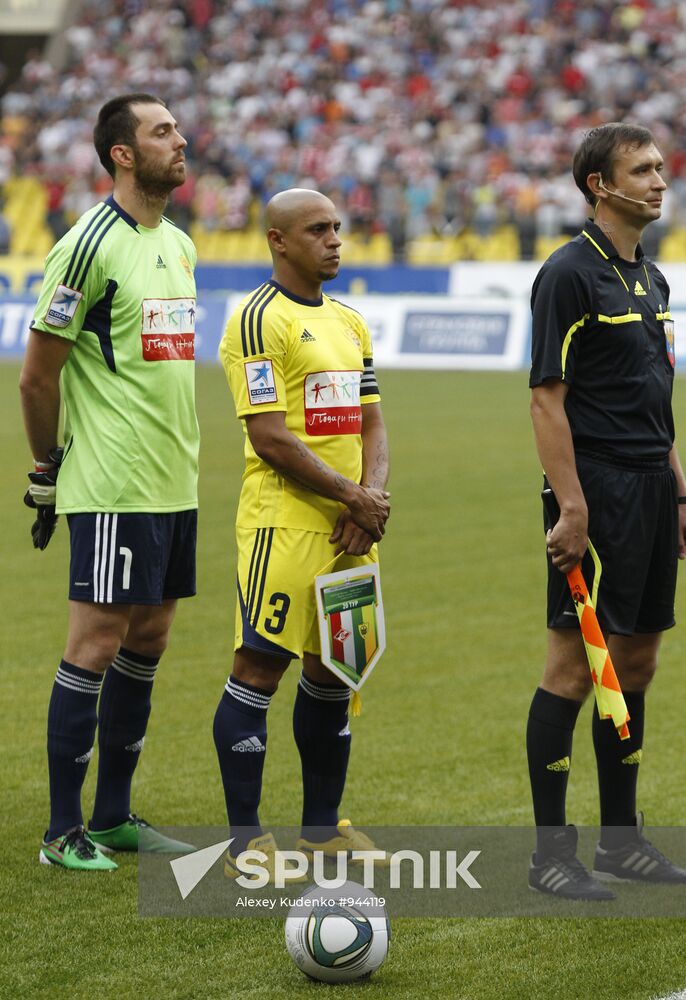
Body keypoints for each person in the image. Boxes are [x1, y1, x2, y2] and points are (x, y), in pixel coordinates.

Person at [20, 94, 199, 871]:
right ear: (123, 154)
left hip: (174, 480)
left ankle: (115, 816)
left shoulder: (180, 244)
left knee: (148, 640)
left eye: (176, 128)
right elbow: (37, 376)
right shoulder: (87, 245)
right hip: (115, 482)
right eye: (162, 132)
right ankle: (62, 833)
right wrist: (46, 469)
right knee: (95, 642)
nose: (180, 140)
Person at [527, 122, 686, 900]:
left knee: (637, 663)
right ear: (601, 184)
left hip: (652, 489)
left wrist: (678, 491)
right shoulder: (568, 274)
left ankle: (621, 843)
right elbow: (546, 401)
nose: (660, 180)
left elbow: (656, 399)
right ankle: (549, 855)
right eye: (643, 169)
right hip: (595, 493)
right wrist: (572, 506)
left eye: (660, 168)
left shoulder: (652, 280)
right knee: (574, 667)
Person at [214, 188, 390, 880]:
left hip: (352, 530)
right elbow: (270, 437)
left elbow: (372, 423)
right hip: (284, 524)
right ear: (278, 240)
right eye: (318, 229)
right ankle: (245, 844)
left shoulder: (350, 321)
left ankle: (320, 831)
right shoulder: (258, 319)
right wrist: (353, 496)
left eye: (337, 228)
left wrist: (370, 500)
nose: (335, 239)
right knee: (258, 669)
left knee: (333, 673)